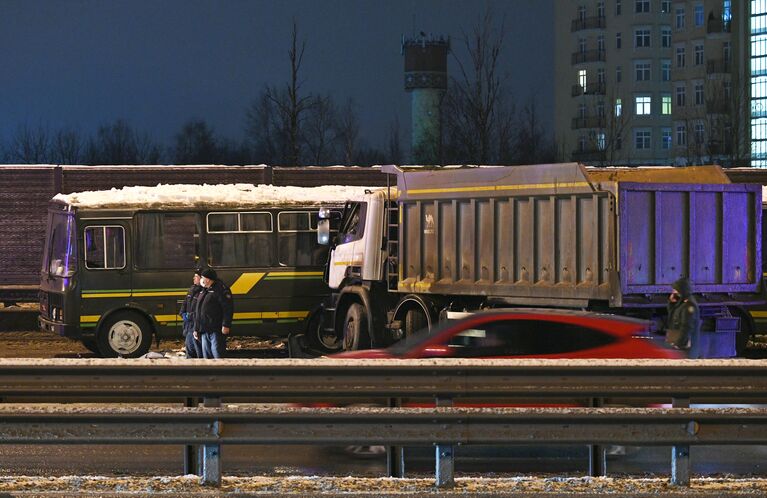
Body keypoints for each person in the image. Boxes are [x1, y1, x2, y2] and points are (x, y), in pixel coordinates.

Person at [193, 268, 233, 359]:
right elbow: (198, 311)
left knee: (217, 354)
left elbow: (227, 308)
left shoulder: (221, 290)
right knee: (207, 357)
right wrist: (196, 328)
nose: (201, 280)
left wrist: (226, 324)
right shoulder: (204, 290)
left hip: (216, 329)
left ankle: (221, 373)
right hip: (204, 329)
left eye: (202, 277)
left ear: (207, 279)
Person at [665, 277, 701, 358]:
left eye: (675, 290)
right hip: (680, 346)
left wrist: (679, 344)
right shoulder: (681, 303)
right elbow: (671, 316)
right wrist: (671, 303)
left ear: (682, 291)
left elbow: (687, 327)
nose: (673, 292)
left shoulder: (689, 305)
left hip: (685, 348)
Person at [180, 268, 203, 358]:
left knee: (197, 348)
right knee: (189, 347)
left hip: (195, 325)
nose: (193, 278)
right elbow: (185, 302)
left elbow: (202, 310)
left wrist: (190, 316)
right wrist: (182, 313)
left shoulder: (202, 292)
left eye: (196, 277)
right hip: (188, 325)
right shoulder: (192, 290)